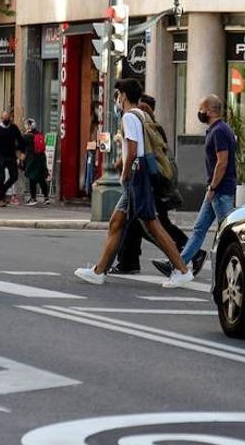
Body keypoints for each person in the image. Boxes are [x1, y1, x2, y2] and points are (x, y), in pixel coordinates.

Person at [75, 79, 193, 288]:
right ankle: (98, 271)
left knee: (152, 224)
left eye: (118, 94)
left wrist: (125, 173)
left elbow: (133, 148)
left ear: (124, 95)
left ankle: (182, 270)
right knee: (116, 222)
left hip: (136, 176)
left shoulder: (129, 116)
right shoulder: (142, 114)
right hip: (141, 175)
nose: (117, 99)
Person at [154, 94, 236, 279]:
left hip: (220, 191)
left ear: (208, 110)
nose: (199, 113)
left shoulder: (219, 131)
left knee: (228, 234)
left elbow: (222, 162)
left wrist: (213, 187)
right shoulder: (219, 129)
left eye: (200, 109)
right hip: (216, 190)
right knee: (199, 229)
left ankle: (227, 269)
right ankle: (177, 264)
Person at [113, 94, 187, 274]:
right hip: (146, 181)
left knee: (153, 226)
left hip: (148, 182)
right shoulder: (152, 127)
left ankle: (183, 260)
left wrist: (123, 172)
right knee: (125, 224)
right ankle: (115, 265)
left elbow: (136, 152)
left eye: (143, 109)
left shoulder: (145, 126)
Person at [0, 110, 23, 207]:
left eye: (8, 118)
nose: (7, 120)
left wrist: (22, 152)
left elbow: (20, 140)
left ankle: (2, 190)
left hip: (11, 156)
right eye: (5, 118)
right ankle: (1, 198)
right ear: (1, 118)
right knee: (1, 177)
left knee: (14, 176)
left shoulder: (14, 128)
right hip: (0, 156)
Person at [22, 118, 50, 206]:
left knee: (32, 179)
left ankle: (33, 198)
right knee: (42, 179)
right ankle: (46, 198)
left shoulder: (27, 136)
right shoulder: (39, 134)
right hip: (41, 158)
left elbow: (20, 145)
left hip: (32, 159)